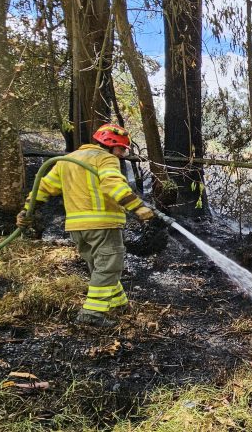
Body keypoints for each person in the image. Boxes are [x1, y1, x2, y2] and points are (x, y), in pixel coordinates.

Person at [17, 123, 155, 328]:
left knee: (101, 267)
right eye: (121, 149)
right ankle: (91, 313)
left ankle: (118, 304)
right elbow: (112, 184)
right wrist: (138, 208)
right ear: (110, 144)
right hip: (103, 225)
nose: (123, 154)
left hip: (77, 228)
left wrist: (27, 209)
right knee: (110, 266)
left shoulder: (68, 160)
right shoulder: (105, 158)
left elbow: (44, 187)